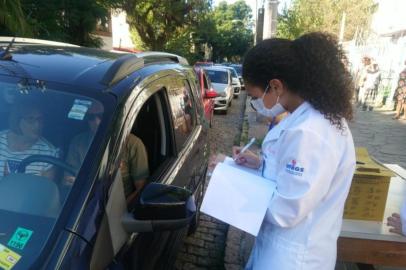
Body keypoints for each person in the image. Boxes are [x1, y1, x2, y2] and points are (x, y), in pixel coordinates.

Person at [230, 32, 356, 269]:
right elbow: (297, 177)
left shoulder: (310, 131)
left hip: (293, 258)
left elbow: (285, 210)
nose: (256, 104)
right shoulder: (308, 118)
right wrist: (260, 163)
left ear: (275, 86)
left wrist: (229, 183)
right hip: (282, 250)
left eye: (255, 96)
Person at [65, 101, 149, 204]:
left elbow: (141, 187)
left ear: (113, 117)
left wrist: (121, 211)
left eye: (101, 116)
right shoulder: (77, 142)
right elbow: (67, 179)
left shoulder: (133, 144)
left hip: (116, 207)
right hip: (82, 207)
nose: (96, 122)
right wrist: (73, 183)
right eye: (91, 117)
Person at [0, 100, 59, 178]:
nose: (37, 125)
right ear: (16, 120)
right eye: (30, 119)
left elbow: (45, 189)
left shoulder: (49, 153)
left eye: (40, 119)